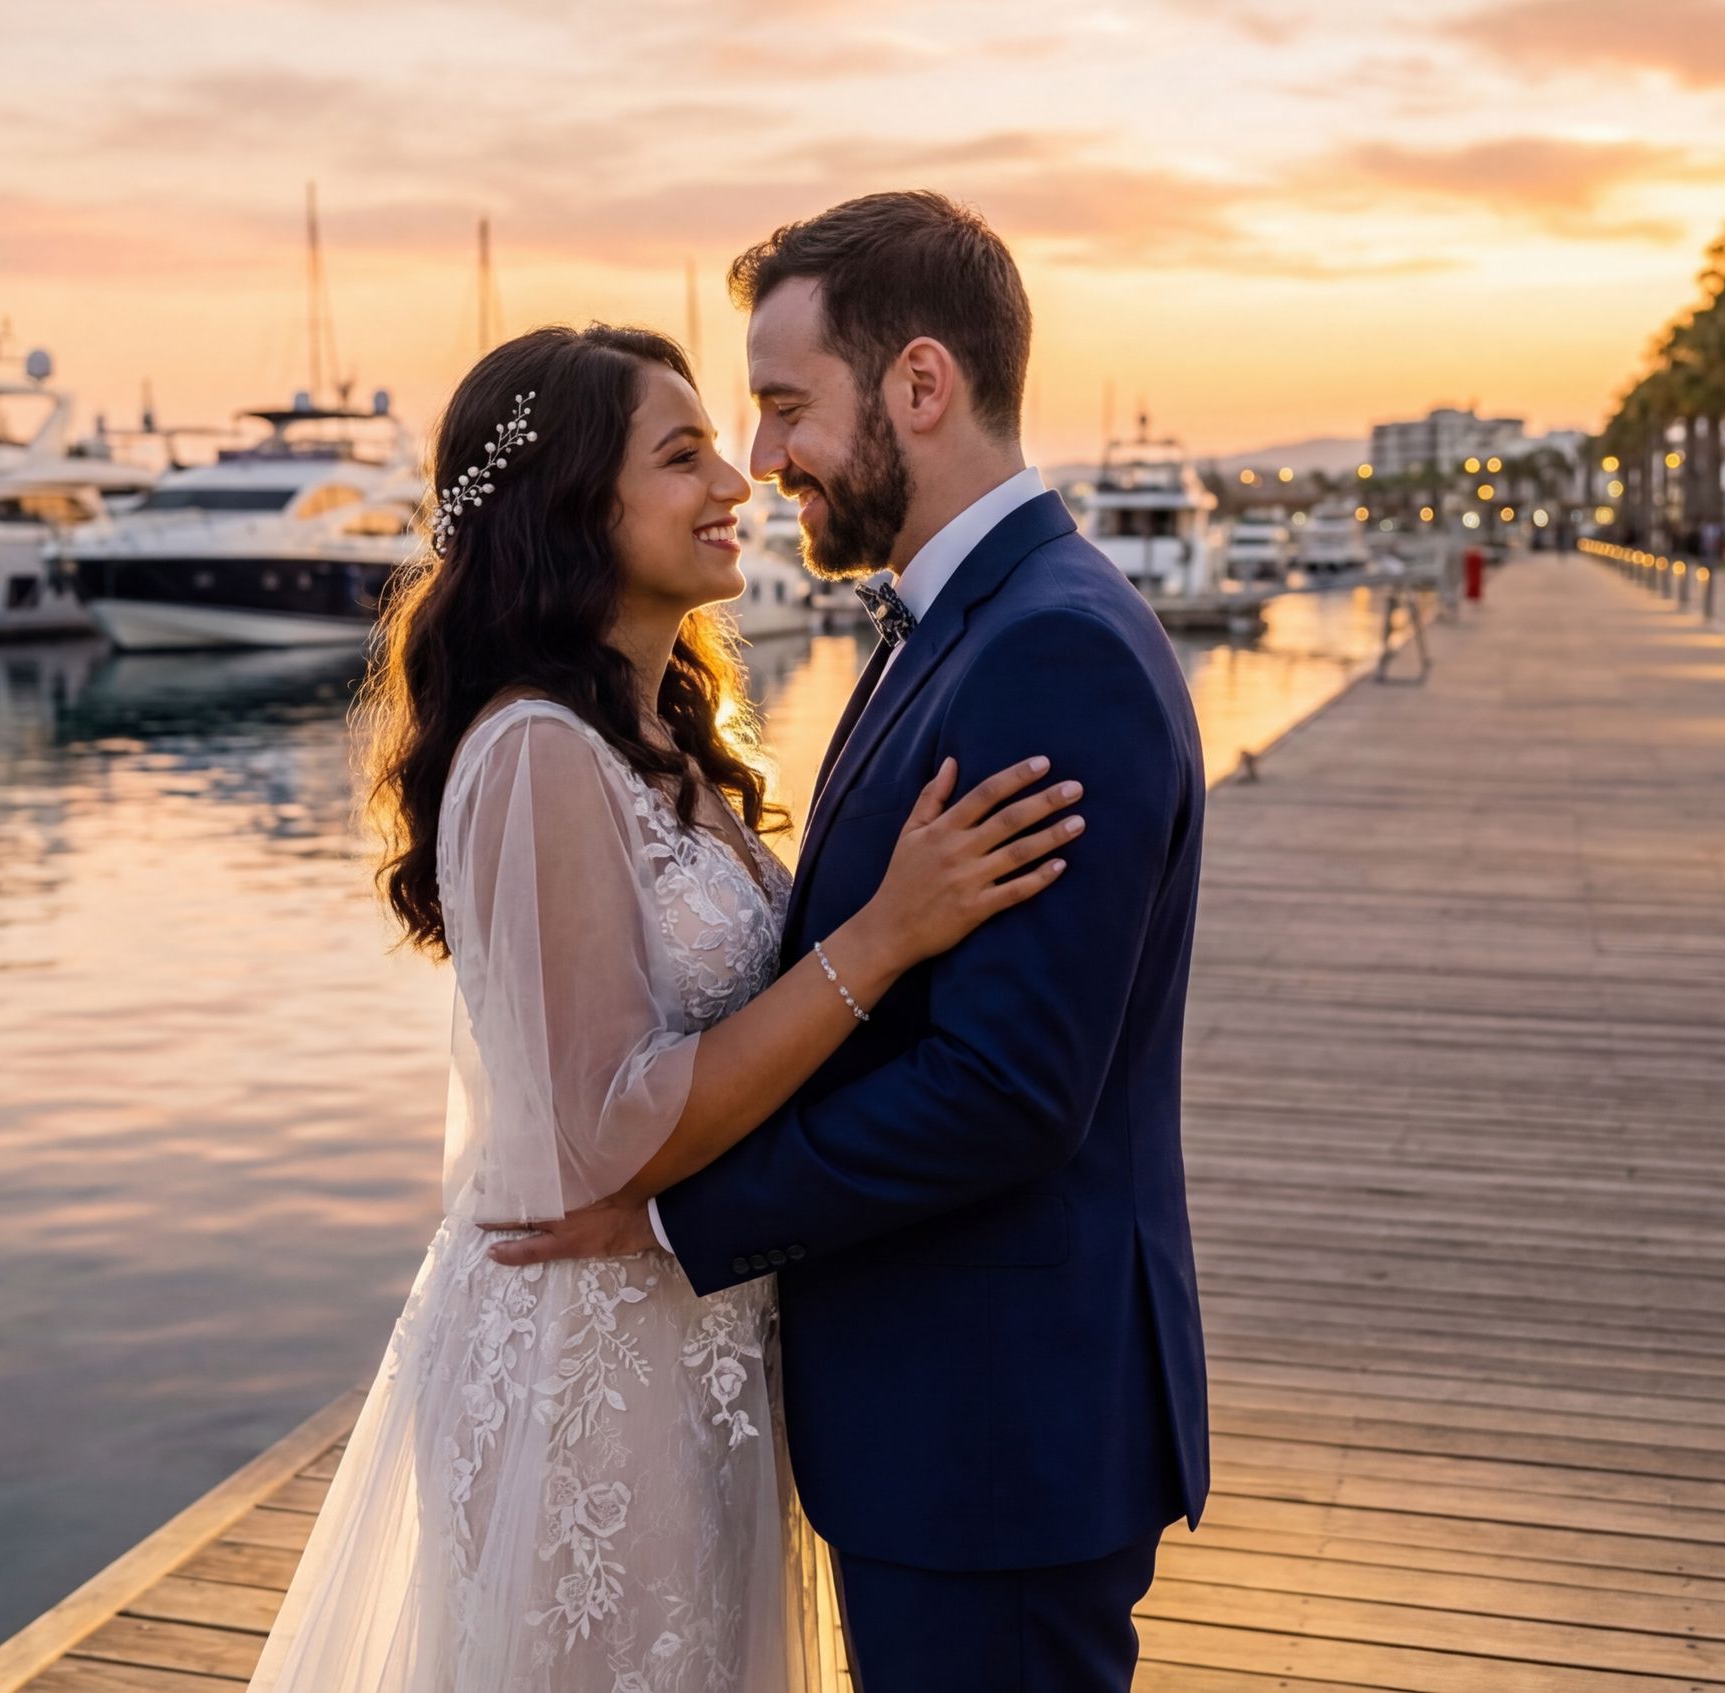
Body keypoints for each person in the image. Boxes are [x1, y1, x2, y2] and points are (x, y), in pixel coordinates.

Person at [249, 318, 1080, 1692]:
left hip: (687, 1330)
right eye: (683, 454)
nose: (737, 484)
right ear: (573, 502)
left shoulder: (663, 740)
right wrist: (883, 935)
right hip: (590, 1365)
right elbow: (608, 1128)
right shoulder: (533, 751)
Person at [492, 193, 1210, 1691]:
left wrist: (686, 1224)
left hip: (995, 1436)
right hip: (939, 1426)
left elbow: (1006, 1088)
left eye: (782, 406)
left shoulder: (1048, 650)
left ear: (920, 387)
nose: (763, 460)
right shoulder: (956, 628)